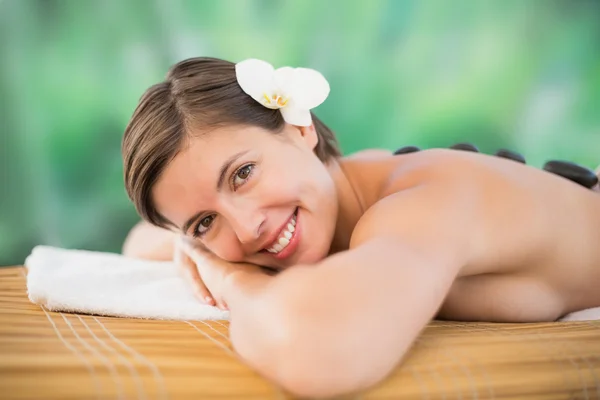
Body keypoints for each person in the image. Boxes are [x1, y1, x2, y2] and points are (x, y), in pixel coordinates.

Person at [121, 57, 600, 398]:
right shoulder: (339, 188)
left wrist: (230, 278)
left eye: (243, 174)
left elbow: (313, 350)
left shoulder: (418, 207)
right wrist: (194, 245)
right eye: (206, 222)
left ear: (300, 128)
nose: (246, 230)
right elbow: (139, 242)